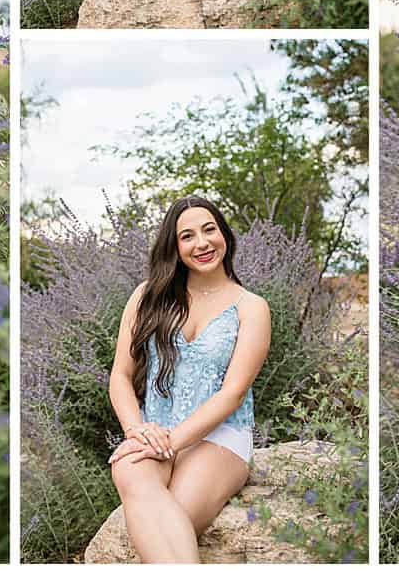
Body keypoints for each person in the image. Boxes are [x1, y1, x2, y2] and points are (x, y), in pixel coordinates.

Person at [106, 197, 271, 562]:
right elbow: (120, 374)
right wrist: (137, 433)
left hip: (221, 437)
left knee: (169, 519)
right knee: (129, 471)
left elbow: (233, 392)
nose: (202, 243)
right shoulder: (147, 296)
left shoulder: (251, 307)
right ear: (175, 247)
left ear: (224, 234)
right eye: (187, 236)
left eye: (210, 229)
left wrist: (171, 443)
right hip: (154, 431)